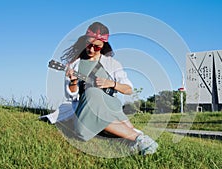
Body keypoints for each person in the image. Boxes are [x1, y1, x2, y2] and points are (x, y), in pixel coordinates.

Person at [57, 22, 158, 155]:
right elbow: (71, 96)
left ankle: (135, 138)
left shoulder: (112, 64)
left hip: (110, 105)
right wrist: (73, 82)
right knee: (91, 94)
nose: (91, 50)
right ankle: (137, 138)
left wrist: (111, 83)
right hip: (85, 104)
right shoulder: (74, 65)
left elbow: (128, 89)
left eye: (97, 47)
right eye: (88, 44)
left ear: (104, 45)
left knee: (93, 100)